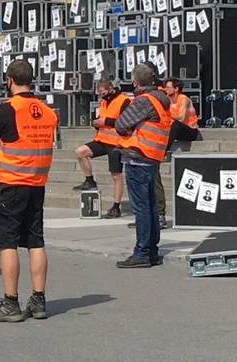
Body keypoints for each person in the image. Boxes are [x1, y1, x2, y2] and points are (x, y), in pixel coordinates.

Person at [0, 60, 58, 322]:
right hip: (36, 184)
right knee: (35, 241)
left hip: (11, 183)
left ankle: (10, 301)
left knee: (7, 242)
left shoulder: (7, 110)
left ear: (9, 80)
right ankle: (38, 299)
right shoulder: (48, 111)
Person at [114, 64, 172, 269]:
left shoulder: (143, 101)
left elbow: (121, 124)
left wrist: (127, 131)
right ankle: (152, 251)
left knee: (142, 209)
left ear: (135, 82)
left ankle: (142, 252)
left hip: (138, 156)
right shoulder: (161, 98)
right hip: (152, 157)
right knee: (151, 207)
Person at [72, 78, 130, 219]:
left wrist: (106, 121)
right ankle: (89, 180)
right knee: (80, 152)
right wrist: (97, 122)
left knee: (116, 175)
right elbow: (101, 117)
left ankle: (116, 206)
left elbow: (126, 122)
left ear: (110, 89)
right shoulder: (104, 101)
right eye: (99, 93)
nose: (101, 96)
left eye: (103, 92)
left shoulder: (124, 100)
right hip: (102, 139)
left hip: (116, 142)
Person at [164, 77, 200, 151]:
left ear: (176, 89)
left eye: (168, 87)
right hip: (173, 129)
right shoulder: (166, 99)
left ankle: (164, 152)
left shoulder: (183, 100)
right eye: (165, 87)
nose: (166, 89)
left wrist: (167, 115)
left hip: (190, 130)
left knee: (175, 124)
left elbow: (181, 118)